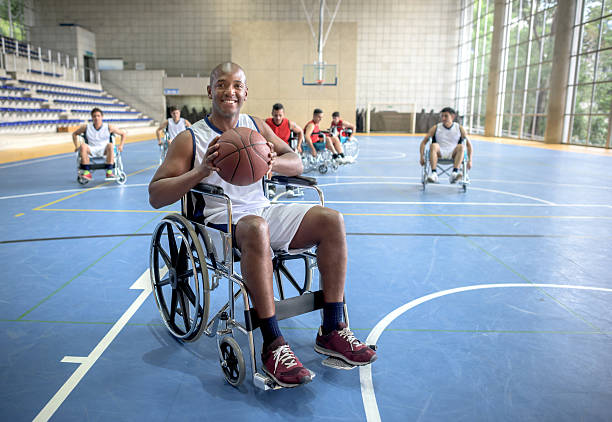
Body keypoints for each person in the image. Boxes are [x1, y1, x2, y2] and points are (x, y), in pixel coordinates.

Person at [148, 62, 376, 388]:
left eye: (237, 85)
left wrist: (273, 162)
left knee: (332, 220)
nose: (231, 91)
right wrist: (199, 172)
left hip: (262, 212)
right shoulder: (190, 139)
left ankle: (332, 329)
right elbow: (156, 195)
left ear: (245, 92)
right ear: (210, 91)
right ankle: (272, 344)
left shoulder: (255, 126)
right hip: (218, 224)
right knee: (256, 228)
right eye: (223, 85)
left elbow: (296, 161)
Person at [419, 107, 473, 183]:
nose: (443, 118)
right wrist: (421, 157)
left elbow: (469, 145)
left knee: (461, 146)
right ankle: (434, 174)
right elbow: (423, 142)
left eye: (446, 116)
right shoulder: (436, 127)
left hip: (454, 153)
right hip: (439, 153)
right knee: (433, 145)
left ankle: (454, 173)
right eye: (442, 116)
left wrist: (470, 160)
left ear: (453, 116)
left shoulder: (459, 128)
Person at [72, 108, 126, 181]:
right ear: (92, 117)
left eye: (98, 116)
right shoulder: (86, 127)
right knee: (83, 146)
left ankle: (109, 172)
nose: (96, 118)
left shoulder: (108, 127)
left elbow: (123, 134)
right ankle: (87, 172)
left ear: (102, 117)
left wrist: (121, 146)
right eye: (94, 116)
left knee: (110, 145)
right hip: (91, 149)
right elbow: (74, 134)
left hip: (104, 149)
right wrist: (76, 146)